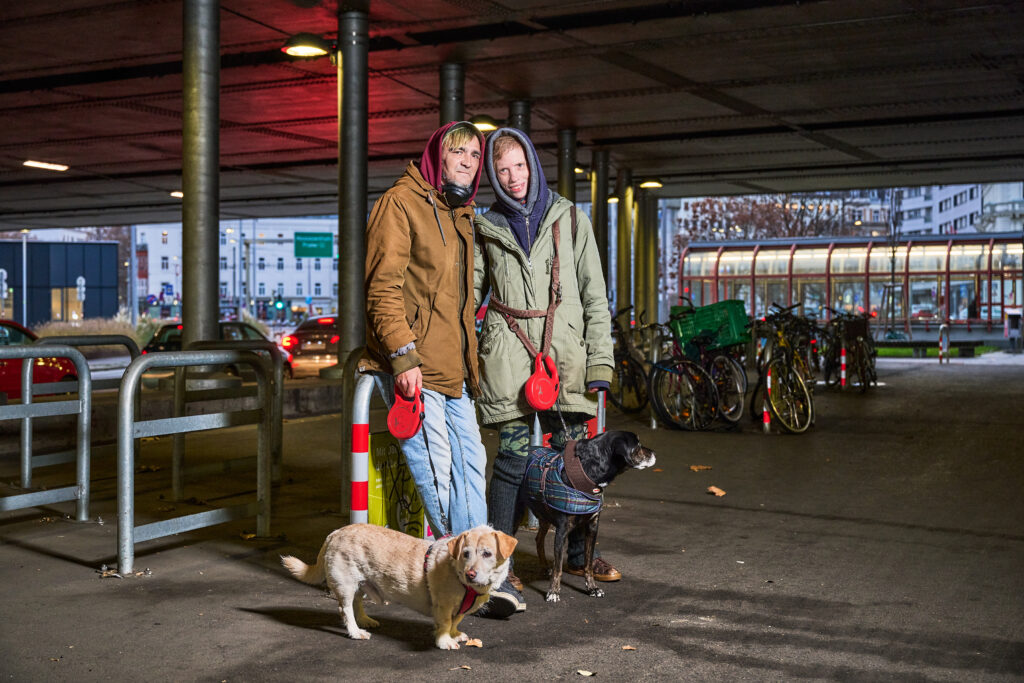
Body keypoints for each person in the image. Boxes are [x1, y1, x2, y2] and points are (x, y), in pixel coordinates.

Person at [473, 128, 619, 613]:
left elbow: (595, 296)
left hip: (564, 353)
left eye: (520, 166)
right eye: (503, 170)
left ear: (534, 165)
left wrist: (600, 361)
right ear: (493, 175)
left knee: (573, 460)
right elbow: (470, 300)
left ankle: (577, 556)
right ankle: (498, 565)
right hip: (508, 355)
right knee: (513, 461)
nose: (514, 178)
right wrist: (465, 358)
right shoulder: (484, 226)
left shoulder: (571, 219)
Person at [359, 121, 498, 567]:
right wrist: (402, 355)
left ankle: (486, 570)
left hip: (453, 367)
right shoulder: (399, 204)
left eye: (475, 156)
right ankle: (467, 568)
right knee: (438, 475)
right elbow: (382, 289)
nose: (467, 162)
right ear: (437, 155)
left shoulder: (460, 214)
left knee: (471, 471)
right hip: (414, 365)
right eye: (458, 152)